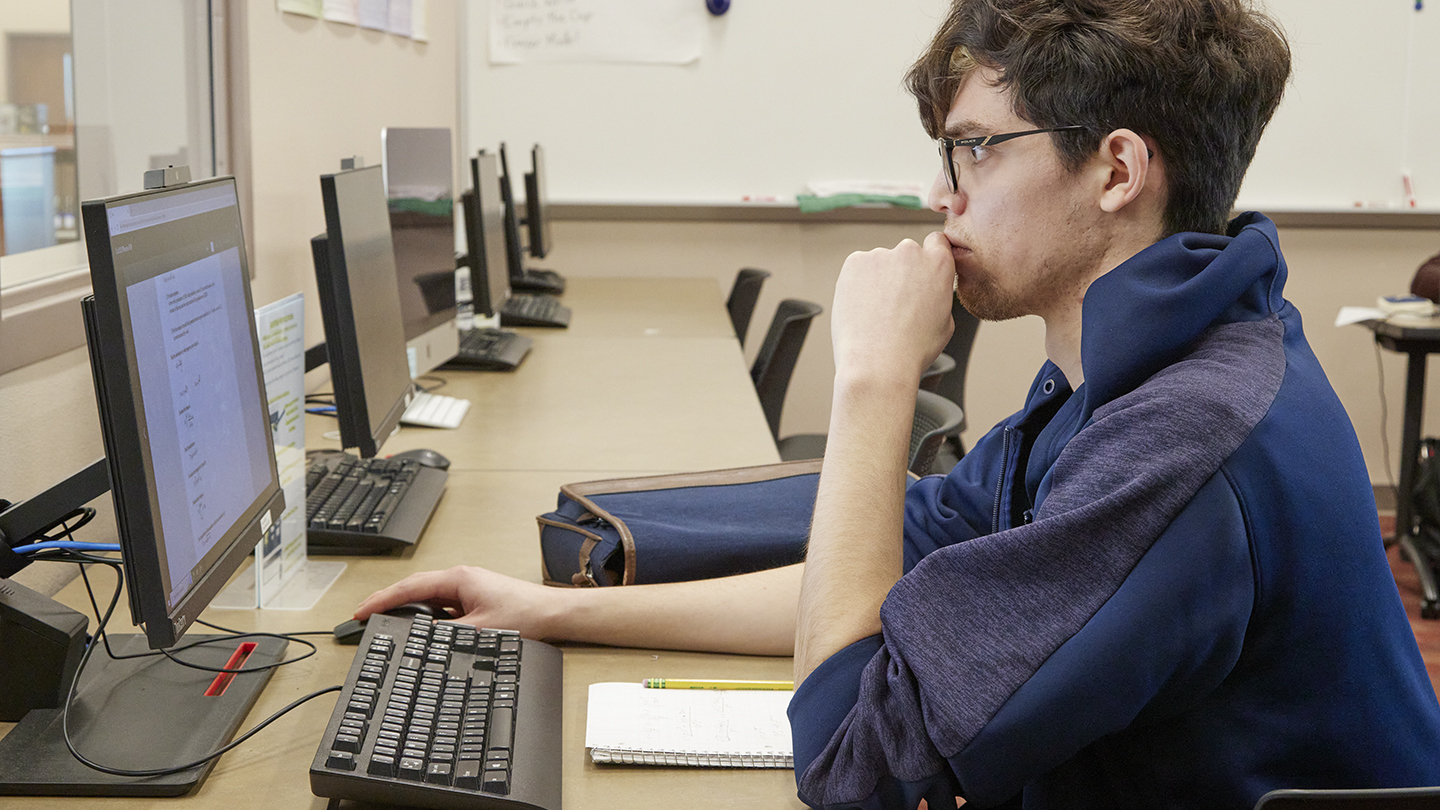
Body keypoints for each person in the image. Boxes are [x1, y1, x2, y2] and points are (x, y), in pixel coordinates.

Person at [356, 0, 1440, 807]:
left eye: (974, 147)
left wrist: (872, 383)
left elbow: (852, 767)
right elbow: (899, 558)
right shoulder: (1159, 350)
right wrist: (547, 612)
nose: (940, 194)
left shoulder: (1185, 440)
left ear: (1117, 171)